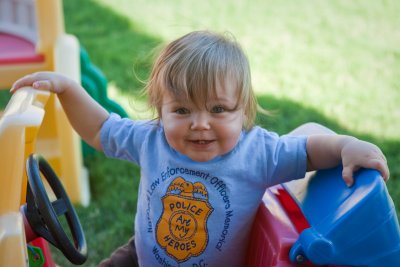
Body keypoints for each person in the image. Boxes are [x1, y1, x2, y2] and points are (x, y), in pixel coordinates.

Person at [11, 30, 389, 267]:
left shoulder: (258, 152)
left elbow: (307, 151)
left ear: (244, 112)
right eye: (182, 110)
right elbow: (99, 128)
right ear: (161, 111)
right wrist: (66, 89)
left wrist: (346, 145)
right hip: (142, 256)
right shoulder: (151, 139)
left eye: (218, 109)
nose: (200, 123)